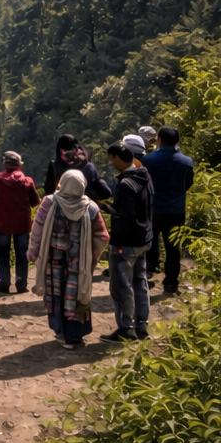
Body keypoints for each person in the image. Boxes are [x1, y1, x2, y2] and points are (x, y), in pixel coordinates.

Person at [28, 169, 110, 349]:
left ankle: (61, 332)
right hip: (78, 262)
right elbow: (103, 236)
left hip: (53, 260)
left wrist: (33, 252)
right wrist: (92, 257)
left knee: (56, 294)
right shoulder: (91, 207)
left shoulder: (49, 203)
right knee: (75, 293)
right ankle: (75, 333)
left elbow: (38, 229)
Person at [102, 142, 154, 343]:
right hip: (144, 238)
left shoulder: (124, 184)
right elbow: (136, 207)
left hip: (127, 242)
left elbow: (127, 217)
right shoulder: (144, 174)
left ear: (116, 158)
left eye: (110, 159)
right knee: (140, 283)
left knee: (121, 286)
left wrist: (117, 241)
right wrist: (111, 209)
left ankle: (126, 329)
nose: (110, 163)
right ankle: (141, 326)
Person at [143, 125, 195, 294]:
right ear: (177, 141)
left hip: (153, 208)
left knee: (150, 240)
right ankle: (171, 283)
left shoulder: (148, 160)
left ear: (159, 140)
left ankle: (149, 269)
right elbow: (187, 184)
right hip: (176, 210)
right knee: (173, 247)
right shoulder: (186, 161)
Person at [0, 151, 39, 294]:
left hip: (2, 223)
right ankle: (21, 284)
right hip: (22, 224)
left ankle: (4, 282)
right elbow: (35, 202)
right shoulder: (28, 181)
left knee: (3, 253)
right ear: (19, 165)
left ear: (5, 164)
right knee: (22, 253)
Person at [42, 134, 110, 203]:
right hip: (86, 206)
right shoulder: (89, 167)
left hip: (61, 206)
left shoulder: (55, 167)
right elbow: (101, 192)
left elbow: (48, 190)